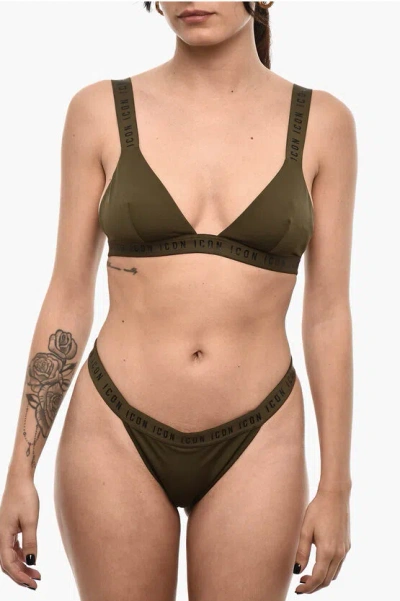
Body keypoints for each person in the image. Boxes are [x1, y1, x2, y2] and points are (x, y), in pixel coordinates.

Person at [0, 2, 357, 599]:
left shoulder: (325, 123)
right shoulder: (98, 111)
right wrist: (20, 468)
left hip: (260, 437)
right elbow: (67, 294)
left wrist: (336, 486)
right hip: (112, 431)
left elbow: (328, 315)